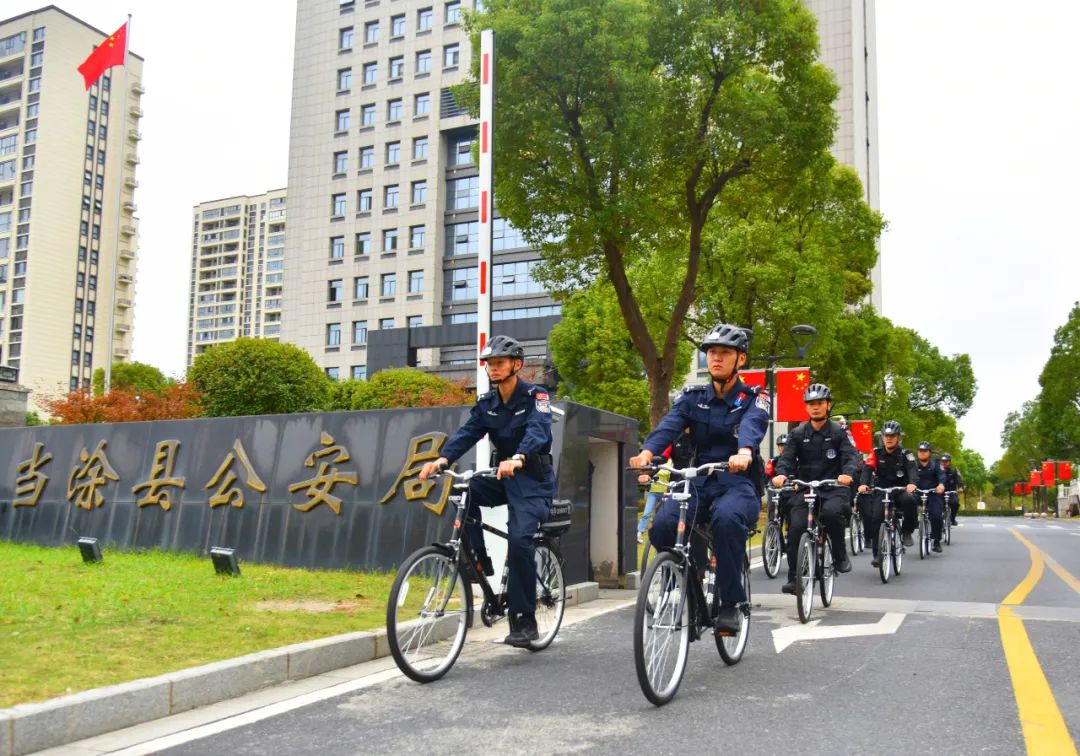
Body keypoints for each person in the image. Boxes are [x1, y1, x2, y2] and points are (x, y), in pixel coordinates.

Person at [629, 323, 768, 635]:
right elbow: (670, 425)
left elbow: (754, 423)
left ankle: (731, 603)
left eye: (724, 353)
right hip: (697, 481)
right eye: (711, 353)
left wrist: (744, 451)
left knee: (727, 520)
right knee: (664, 526)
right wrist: (648, 452)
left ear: (740, 359)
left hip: (736, 481)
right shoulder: (691, 397)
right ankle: (689, 586)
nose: (715, 358)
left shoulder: (753, 397)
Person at [419, 334, 554, 647]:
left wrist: (518, 457)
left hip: (532, 479)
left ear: (516, 365)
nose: (493, 369)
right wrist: (441, 459)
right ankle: (479, 561)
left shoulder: (537, 395)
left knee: (520, 541)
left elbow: (538, 430)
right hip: (503, 477)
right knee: (462, 491)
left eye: (499, 363)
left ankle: (525, 620)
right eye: (490, 364)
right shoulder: (487, 403)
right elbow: (468, 433)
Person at [771, 383, 860, 594]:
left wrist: (847, 474)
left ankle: (839, 555)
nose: (815, 407)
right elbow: (787, 458)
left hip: (834, 487)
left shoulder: (839, 432)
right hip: (807, 488)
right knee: (796, 528)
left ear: (828, 405)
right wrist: (782, 474)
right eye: (811, 404)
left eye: (819, 403)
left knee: (831, 514)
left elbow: (851, 457)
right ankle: (794, 577)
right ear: (806, 408)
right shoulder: (798, 433)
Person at [857, 420, 918, 568]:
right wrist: (863, 483)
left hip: (900, 490)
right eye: (886, 435)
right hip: (881, 491)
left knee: (910, 501)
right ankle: (878, 556)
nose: (889, 438)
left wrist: (912, 483)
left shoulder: (906, 453)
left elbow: (912, 469)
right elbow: (868, 468)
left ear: (899, 437)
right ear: (882, 437)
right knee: (876, 518)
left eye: (892, 435)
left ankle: (907, 532)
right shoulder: (876, 452)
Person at [636, 430, 694, 543]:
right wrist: (647, 472)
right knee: (661, 514)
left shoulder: (703, 436)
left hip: (699, 483)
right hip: (677, 484)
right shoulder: (675, 438)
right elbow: (660, 459)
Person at [914, 441, 947, 552]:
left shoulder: (936, 464)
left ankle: (936, 541)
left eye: (925, 451)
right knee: (906, 504)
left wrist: (941, 485)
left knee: (937, 516)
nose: (922, 453)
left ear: (929, 452)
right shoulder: (912, 464)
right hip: (917, 492)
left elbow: (942, 475)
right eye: (920, 451)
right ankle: (905, 534)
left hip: (933, 493)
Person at [941, 453, 964, 526]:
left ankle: (952, 518)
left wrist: (960, 487)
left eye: (946, 461)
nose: (944, 463)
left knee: (955, 503)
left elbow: (959, 480)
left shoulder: (954, 470)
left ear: (949, 462)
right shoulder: (937, 470)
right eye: (943, 461)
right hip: (939, 492)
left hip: (951, 492)